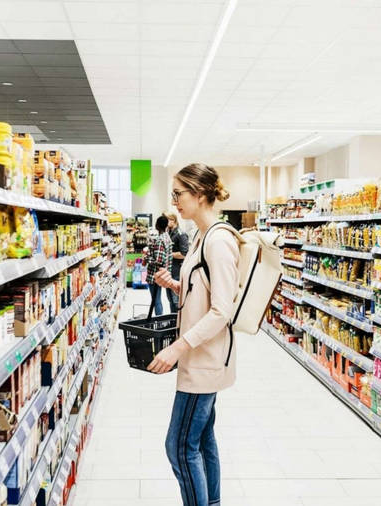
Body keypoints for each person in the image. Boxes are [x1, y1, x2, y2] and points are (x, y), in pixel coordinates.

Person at [150, 163, 239, 506]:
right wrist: (175, 284)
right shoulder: (202, 235)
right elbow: (204, 291)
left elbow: (222, 310)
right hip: (200, 356)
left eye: (178, 194)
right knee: (201, 440)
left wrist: (177, 348)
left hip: (204, 360)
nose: (174, 202)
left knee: (179, 446)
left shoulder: (218, 240)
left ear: (200, 194)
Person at [144, 215, 172, 315]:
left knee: (156, 300)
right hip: (164, 272)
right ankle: (158, 319)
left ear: (157, 225)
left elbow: (159, 260)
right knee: (157, 299)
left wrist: (147, 257)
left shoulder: (160, 240)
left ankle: (158, 321)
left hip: (155, 275)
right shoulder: (167, 237)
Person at [165, 212, 189, 313]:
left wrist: (169, 254)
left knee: (176, 300)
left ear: (173, 220)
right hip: (170, 270)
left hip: (177, 271)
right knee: (170, 299)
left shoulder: (181, 234)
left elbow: (184, 253)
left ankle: (176, 324)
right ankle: (172, 322)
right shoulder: (170, 232)